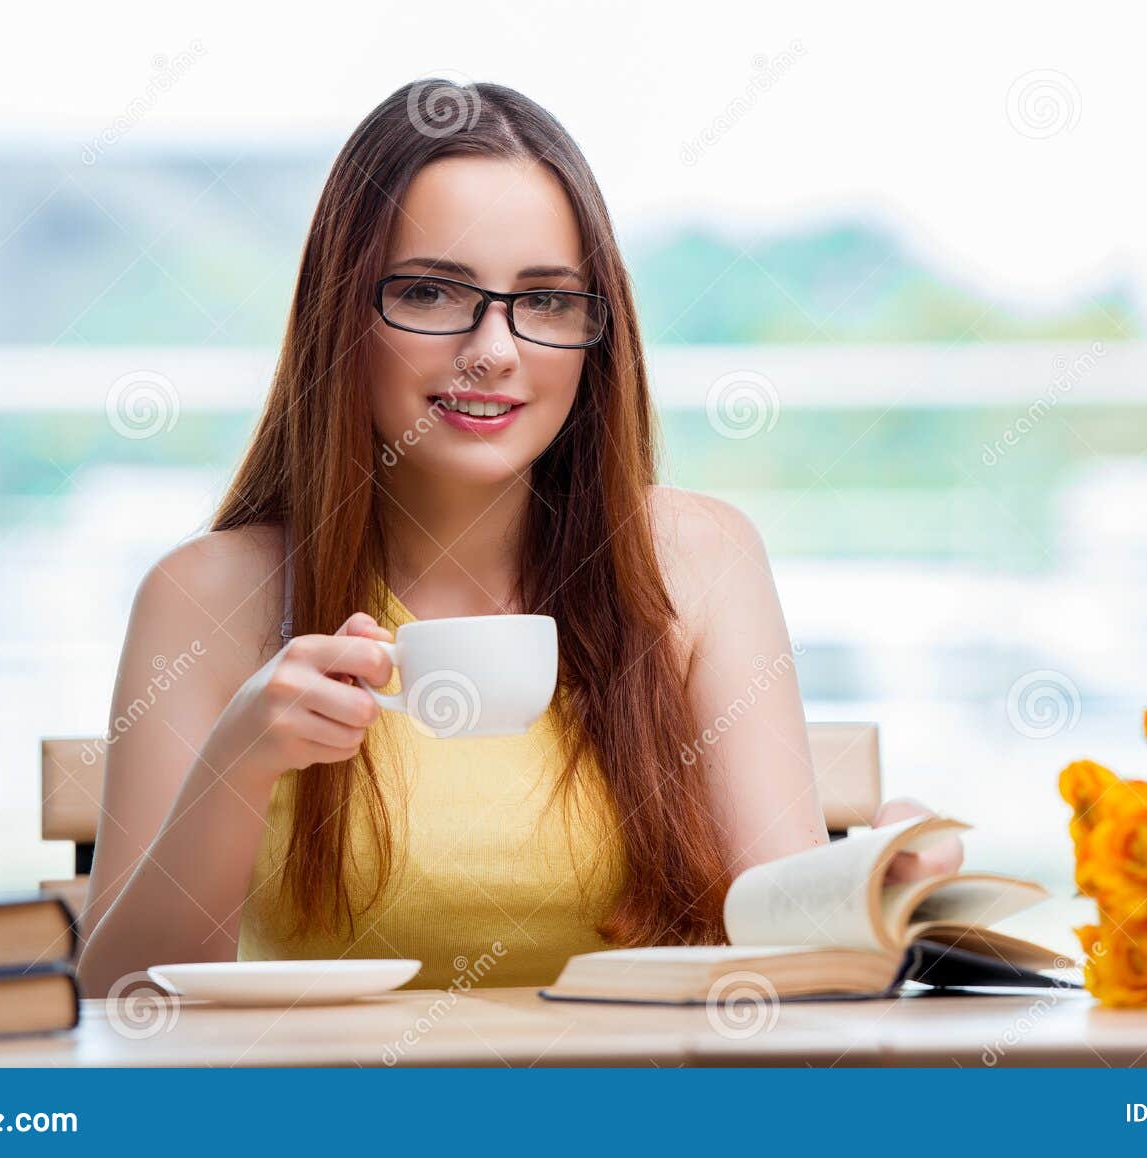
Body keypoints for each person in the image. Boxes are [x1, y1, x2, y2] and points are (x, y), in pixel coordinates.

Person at [76, 80, 961, 996]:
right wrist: (237, 762)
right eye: (429, 291)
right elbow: (118, 1002)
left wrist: (870, 892)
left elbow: (787, 936)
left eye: (545, 302)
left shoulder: (700, 561)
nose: (495, 350)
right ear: (339, 316)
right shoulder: (206, 596)